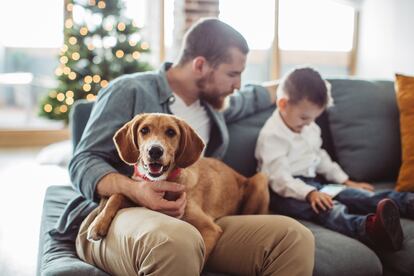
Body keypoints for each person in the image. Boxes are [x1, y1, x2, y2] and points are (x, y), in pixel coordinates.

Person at [49, 18, 315, 276]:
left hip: (195, 217)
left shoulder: (214, 104)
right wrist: (136, 190)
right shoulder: (129, 90)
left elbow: (252, 97)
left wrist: (300, 85)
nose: (237, 85)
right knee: (176, 241)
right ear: (200, 65)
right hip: (121, 214)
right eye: (233, 74)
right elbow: (82, 162)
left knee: (294, 239)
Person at [255, 67, 414, 252]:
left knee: (359, 196)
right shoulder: (272, 136)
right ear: (283, 104)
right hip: (284, 193)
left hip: (316, 184)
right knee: (330, 209)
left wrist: (346, 181)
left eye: (313, 119)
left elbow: (320, 156)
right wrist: (309, 193)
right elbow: (279, 178)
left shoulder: (308, 126)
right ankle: (370, 230)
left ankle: (407, 203)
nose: (308, 124)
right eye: (304, 118)